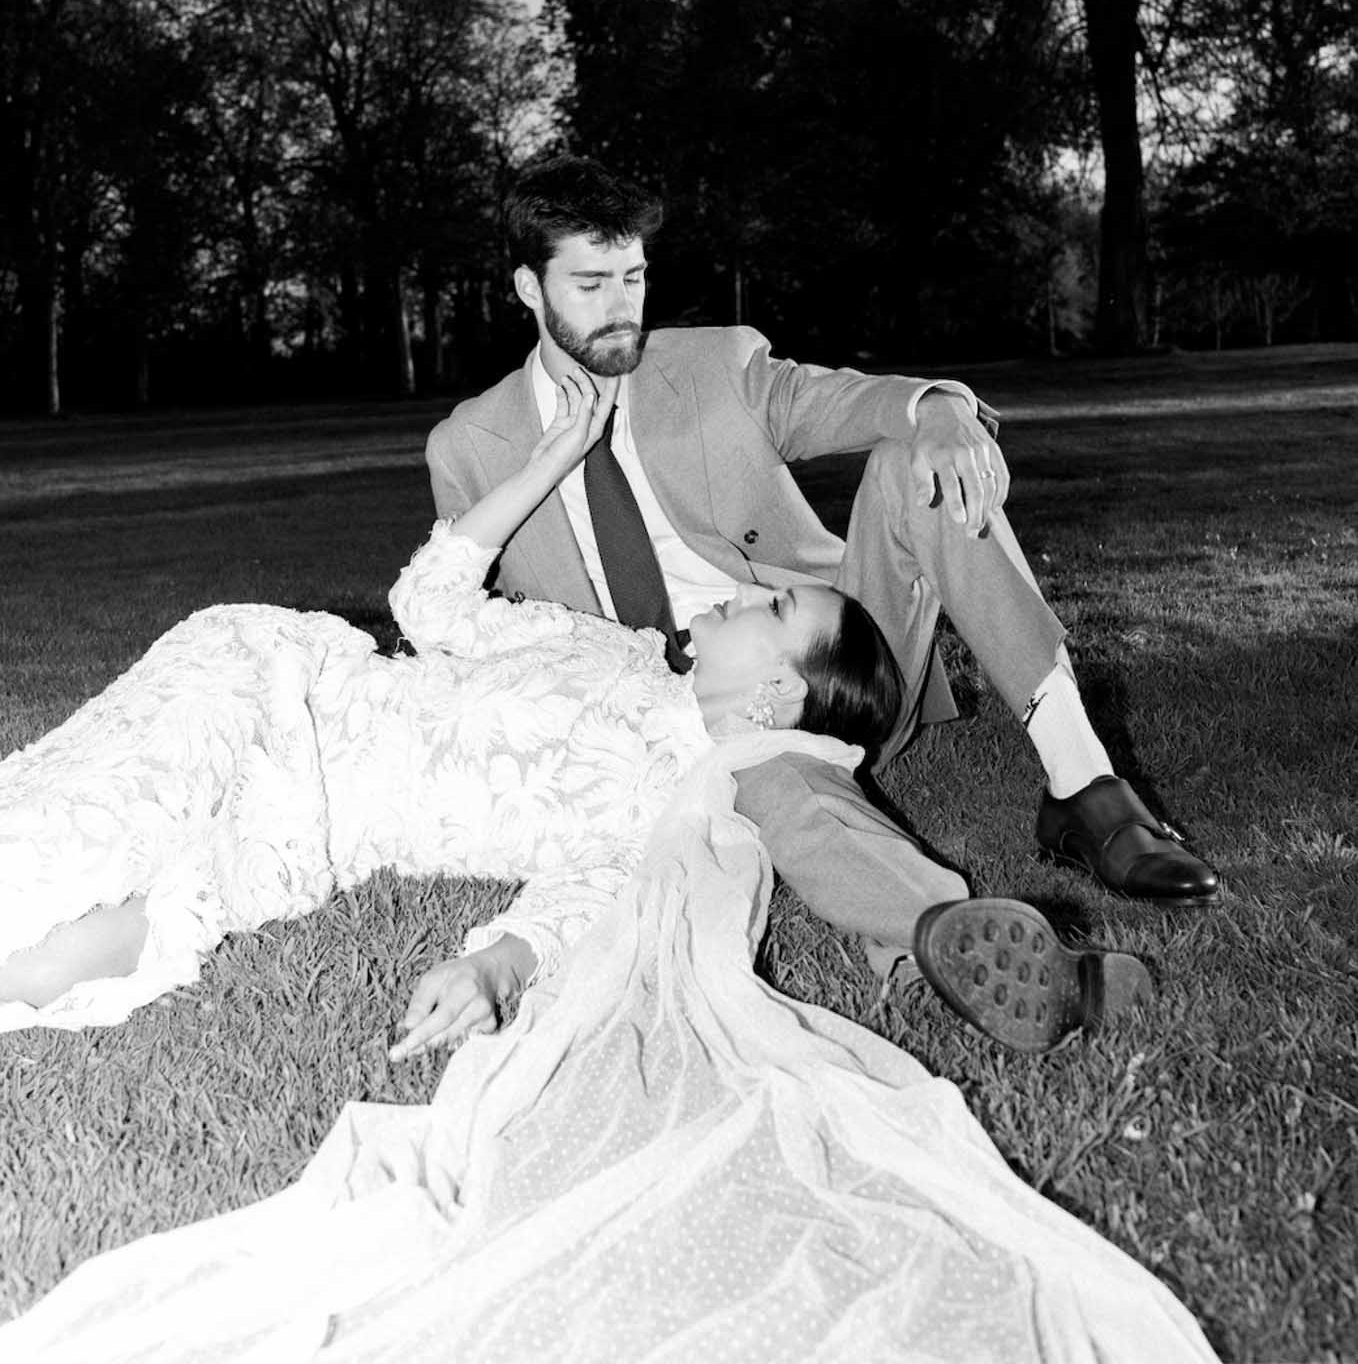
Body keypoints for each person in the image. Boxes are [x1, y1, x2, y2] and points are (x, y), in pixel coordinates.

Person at [0, 370, 1146, 1058]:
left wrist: (492, 968)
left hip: (304, 829)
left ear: (772, 695)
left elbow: (577, 903)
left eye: (769, 607)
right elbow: (428, 605)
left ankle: (970, 930)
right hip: (277, 687)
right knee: (62, 839)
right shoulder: (608, 646)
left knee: (100, 946)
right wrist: (548, 459)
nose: (739, 592)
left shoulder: (676, 808)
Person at [427, 154, 1219, 906]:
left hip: (829, 673)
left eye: (632, 278)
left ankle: (1084, 786)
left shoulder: (713, 366)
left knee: (915, 462)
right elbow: (458, 618)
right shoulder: (469, 447)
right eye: (590, 284)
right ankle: (915, 909)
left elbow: (845, 400)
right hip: (647, 726)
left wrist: (940, 411)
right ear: (529, 287)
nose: (620, 308)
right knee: (761, 787)